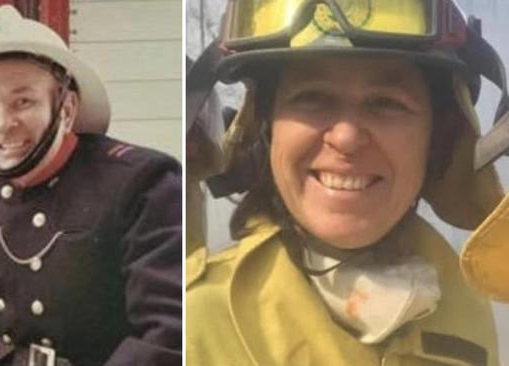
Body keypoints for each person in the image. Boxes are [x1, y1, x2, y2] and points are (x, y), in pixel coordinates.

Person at [186, 1, 508, 365]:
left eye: (386, 103)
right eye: (312, 98)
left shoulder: (467, 302)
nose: (346, 137)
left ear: (438, 140)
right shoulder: (194, 318)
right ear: (267, 129)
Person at [0, 5, 182, 366]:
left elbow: (168, 335)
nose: (4, 123)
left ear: (67, 108)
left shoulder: (140, 184)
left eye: (22, 102)